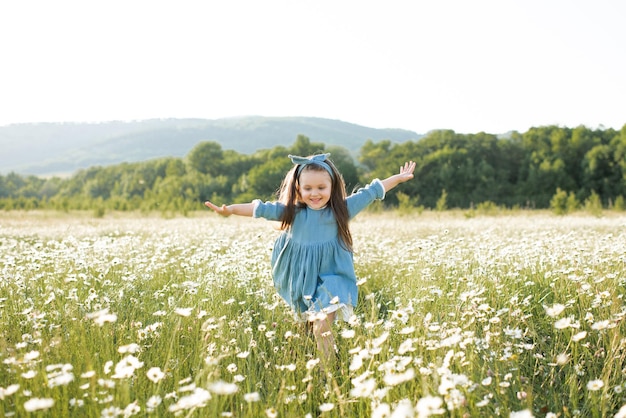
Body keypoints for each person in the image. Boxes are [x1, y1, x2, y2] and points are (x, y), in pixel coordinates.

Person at [204, 153, 416, 369]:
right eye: (308, 189)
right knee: (307, 324)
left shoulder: (342, 210)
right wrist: (229, 210)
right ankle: (309, 360)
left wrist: (398, 179)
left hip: (334, 276)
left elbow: (372, 191)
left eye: (321, 188)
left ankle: (329, 374)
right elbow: (260, 209)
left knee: (321, 327)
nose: (314, 194)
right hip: (301, 274)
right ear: (298, 189)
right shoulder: (292, 212)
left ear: (332, 187)